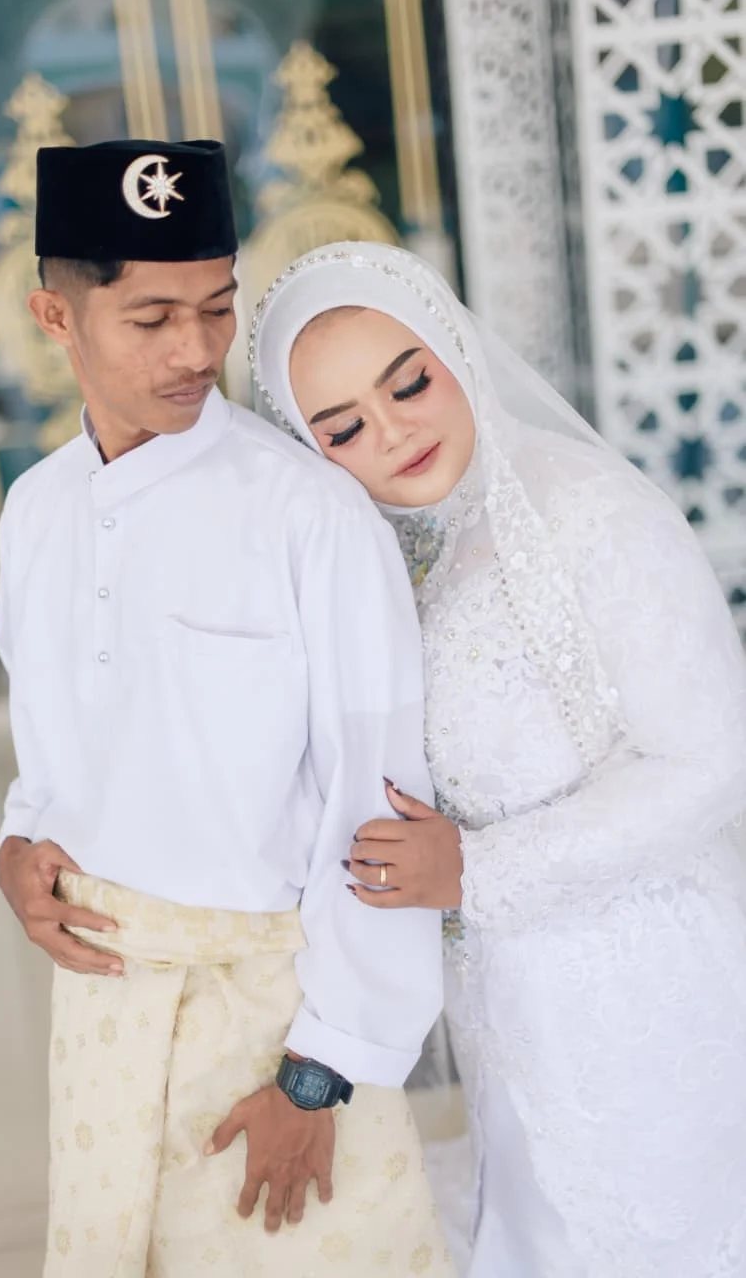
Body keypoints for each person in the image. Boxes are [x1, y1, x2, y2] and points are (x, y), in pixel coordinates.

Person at [0, 147, 453, 1277]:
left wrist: (320, 1071)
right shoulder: (34, 510)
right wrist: (16, 843)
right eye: (152, 318)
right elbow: (48, 749)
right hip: (104, 1010)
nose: (197, 350)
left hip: (275, 1022)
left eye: (215, 305)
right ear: (56, 315)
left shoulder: (309, 515)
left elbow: (379, 807)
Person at [252, 240, 746, 1278]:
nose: (393, 431)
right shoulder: (398, 558)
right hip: (513, 1016)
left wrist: (475, 868)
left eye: (408, 383)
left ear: (454, 349)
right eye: (343, 427)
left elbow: (709, 760)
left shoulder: (588, 511)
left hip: (650, 1000)